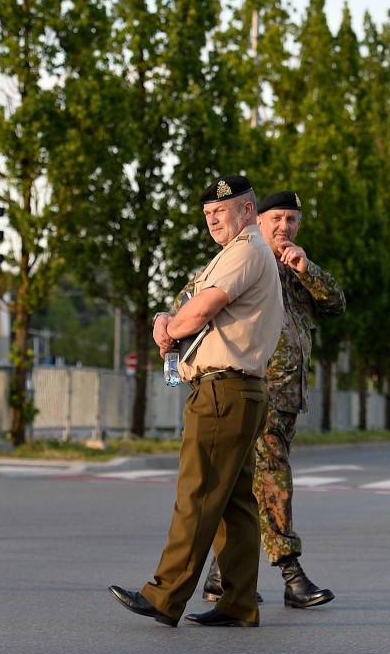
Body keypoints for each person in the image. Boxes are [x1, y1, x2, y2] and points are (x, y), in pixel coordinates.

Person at [109, 175, 282, 627]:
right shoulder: (241, 253)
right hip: (241, 389)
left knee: (198, 493)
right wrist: (171, 316)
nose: (211, 221)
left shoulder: (245, 250)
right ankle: (239, 602)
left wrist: (167, 326)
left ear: (246, 210)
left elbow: (204, 308)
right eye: (206, 214)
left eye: (219, 212)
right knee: (234, 503)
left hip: (224, 390)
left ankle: (165, 595)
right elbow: (196, 305)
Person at [201, 190, 346, 608]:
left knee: (248, 484)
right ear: (259, 220)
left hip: (286, 395)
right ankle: (291, 573)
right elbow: (195, 298)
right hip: (256, 388)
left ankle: (220, 577)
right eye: (277, 219)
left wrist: (307, 269)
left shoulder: (297, 267)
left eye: (293, 220)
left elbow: (335, 305)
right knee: (272, 478)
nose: (285, 228)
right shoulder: (247, 259)